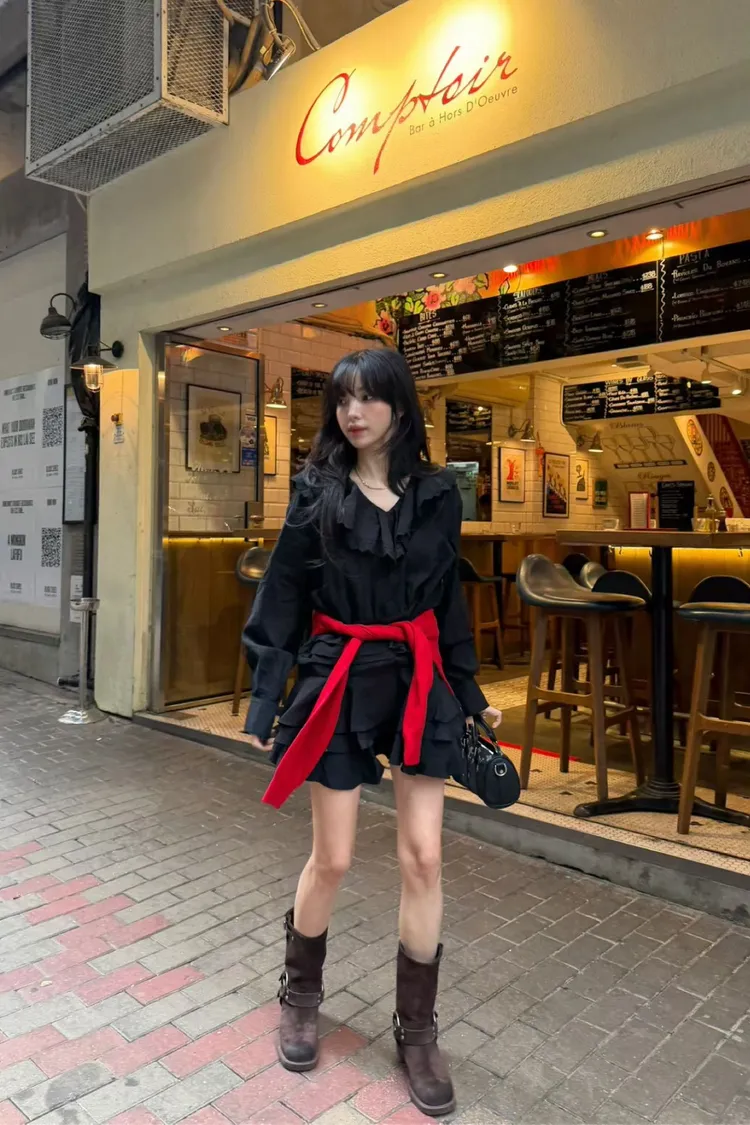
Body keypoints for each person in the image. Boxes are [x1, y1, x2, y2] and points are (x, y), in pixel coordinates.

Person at [244, 348, 502, 1118]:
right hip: (340, 670)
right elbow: (282, 593)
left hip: (418, 673)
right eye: (343, 399)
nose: (354, 412)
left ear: (399, 405)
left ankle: (417, 1029)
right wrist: (265, 698)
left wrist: (470, 691)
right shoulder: (316, 492)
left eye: (369, 397)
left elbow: (447, 601)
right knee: (333, 857)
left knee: (424, 856)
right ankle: (301, 994)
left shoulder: (437, 495)